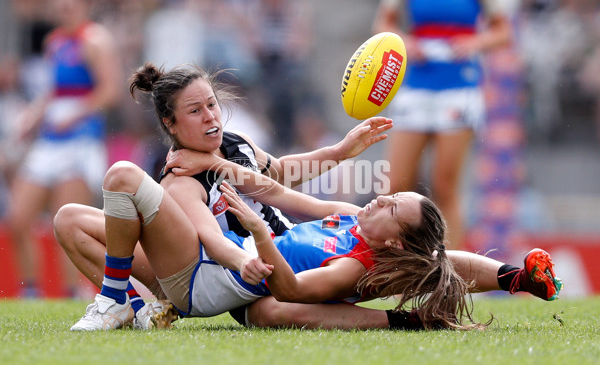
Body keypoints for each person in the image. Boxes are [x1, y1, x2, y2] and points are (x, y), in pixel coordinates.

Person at [54, 62, 393, 328]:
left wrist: (341, 151)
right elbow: (212, 240)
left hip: (273, 257)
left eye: (212, 104)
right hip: (227, 269)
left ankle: (131, 305)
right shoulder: (181, 179)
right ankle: (134, 306)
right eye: (195, 111)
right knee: (69, 219)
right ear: (170, 124)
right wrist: (246, 263)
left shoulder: (235, 144)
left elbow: (281, 172)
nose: (210, 116)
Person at [68, 155, 562, 331]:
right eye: (390, 195)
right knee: (71, 221)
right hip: (229, 261)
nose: (380, 197)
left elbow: (294, 292)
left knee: (271, 314)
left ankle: (402, 323)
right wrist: (218, 168)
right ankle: (139, 306)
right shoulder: (353, 219)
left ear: (393, 242)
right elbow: (280, 191)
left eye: (391, 208)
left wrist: (260, 235)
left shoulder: (358, 264)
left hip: (247, 277)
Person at [372, 0, 512, 250]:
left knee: (444, 187)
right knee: (393, 186)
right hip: (415, 86)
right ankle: (395, 272)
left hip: (459, 88)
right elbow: (383, 23)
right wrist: (404, 42)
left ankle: (448, 275)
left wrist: (474, 44)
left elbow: (502, 32)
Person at [8, 0, 122, 297]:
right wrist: (32, 117)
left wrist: (75, 114)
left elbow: (109, 91)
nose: (64, 6)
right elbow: (52, 91)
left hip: (80, 141)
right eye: (60, 1)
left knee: (66, 220)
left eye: (71, 0)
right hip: (49, 140)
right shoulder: (54, 42)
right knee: (18, 218)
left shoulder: (95, 40)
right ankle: (29, 292)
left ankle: (73, 291)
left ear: (84, 4)